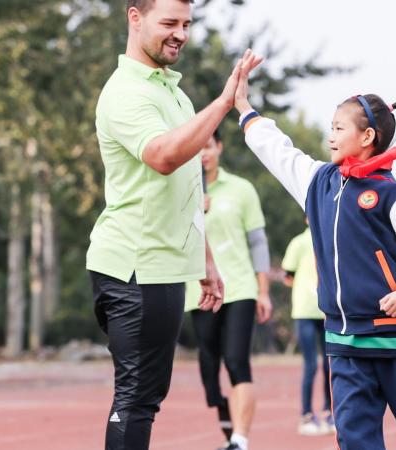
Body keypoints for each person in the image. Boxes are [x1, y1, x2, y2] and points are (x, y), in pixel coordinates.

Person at [232, 57, 396, 450]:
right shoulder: (318, 183)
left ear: (367, 137)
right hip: (344, 344)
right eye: (330, 127)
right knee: (356, 442)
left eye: (338, 128)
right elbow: (279, 152)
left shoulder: (392, 195)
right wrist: (245, 109)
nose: (330, 135)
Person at [86, 0, 260, 446]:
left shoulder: (173, 91)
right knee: (136, 397)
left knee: (145, 395)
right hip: (133, 266)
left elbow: (186, 186)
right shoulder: (126, 91)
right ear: (135, 17)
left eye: (186, 24)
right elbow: (163, 157)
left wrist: (204, 259)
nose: (180, 33)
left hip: (162, 268)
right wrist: (225, 103)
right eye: (169, 23)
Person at [186, 129, 273, 450]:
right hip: (198, 293)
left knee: (236, 361)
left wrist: (263, 290)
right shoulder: (180, 191)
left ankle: (240, 439)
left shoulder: (241, 189)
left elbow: (258, 243)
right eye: (196, 148)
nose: (203, 154)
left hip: (239, 288)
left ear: (219, 147)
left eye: (208, 146)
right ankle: (226, 419)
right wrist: (192, 211)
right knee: (210, 369)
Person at [282, 222, 333, 435]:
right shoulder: (298, 243)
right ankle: (306, 415)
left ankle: (329, 412)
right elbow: (287, 275)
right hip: (304, 310)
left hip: (328, 311)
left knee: (330, 365)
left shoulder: (330, 237)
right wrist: (306, 287)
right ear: (306, 219)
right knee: (310, 365)